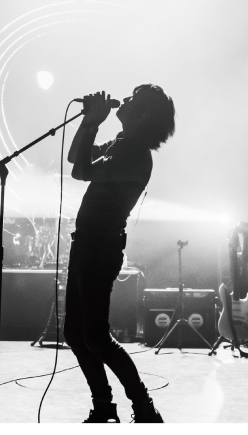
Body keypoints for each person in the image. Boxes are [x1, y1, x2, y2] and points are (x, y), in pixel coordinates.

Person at [64, 84, 175, 423]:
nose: (122, 101)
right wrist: (88, 123)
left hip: (100, 247)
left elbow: (81, 171)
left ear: (142, 114)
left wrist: (94, 122)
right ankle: (104, 406)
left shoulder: (134, 152)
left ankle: (143, 406)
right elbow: (75, 158)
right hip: (88, 243)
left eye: (131, 100)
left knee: (96, 337)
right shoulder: (123, 144)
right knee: (75, 334)